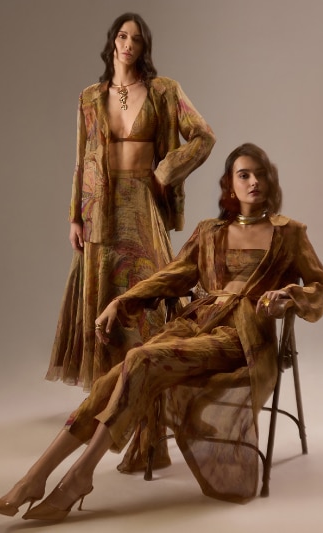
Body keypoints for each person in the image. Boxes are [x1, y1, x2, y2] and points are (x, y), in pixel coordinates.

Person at [0, 143, 323, 519]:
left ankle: (79, 476)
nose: (253, 182)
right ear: (229, 184)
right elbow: (171, 276)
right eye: (243, 175)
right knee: (112, 381)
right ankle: (32, 480)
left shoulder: (289, 233)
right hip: (195, 325)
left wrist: (289, 296)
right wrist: (121, 302)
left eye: (260, 174)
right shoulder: (210, 231)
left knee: (142, 359)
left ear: (270, 179)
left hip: (242, 338)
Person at [47, 12, 215, 391]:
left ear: (144, 47)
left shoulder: (164, 91)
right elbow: (81, 162)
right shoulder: (90, 97)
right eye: (122, 36)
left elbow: (203, 136)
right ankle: (105, 392)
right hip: (100, 208)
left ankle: (146, 383)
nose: (128, 45)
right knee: (102, 291)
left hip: (142, 199)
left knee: (150, 286)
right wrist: (75, 217)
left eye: (136, 39)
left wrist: (165, 171)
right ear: (113, 41)